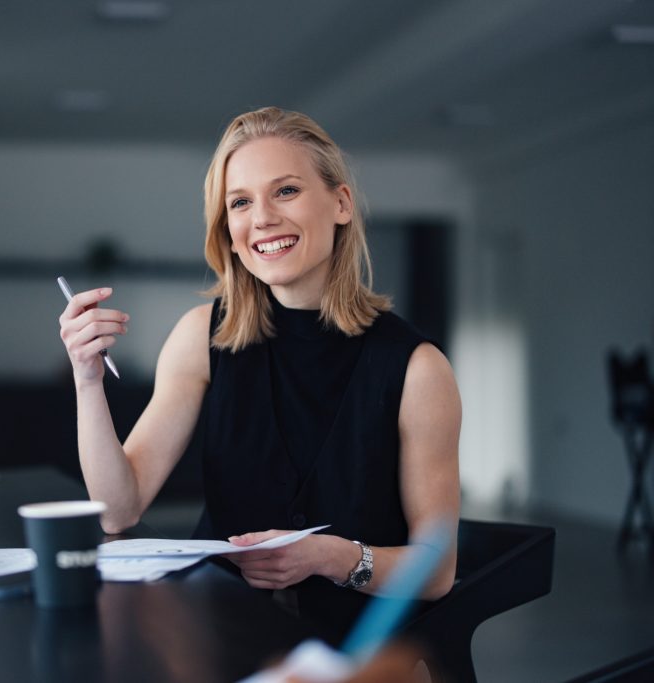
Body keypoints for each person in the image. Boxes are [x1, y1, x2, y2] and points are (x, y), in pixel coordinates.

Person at [58, 106, 461, 643]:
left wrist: (329, 557)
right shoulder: (200, 337)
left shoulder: (418, 368)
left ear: (341, 204)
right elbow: (118, 509)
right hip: (215, 629)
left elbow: (436, 572)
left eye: (286, 191)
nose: (262, 218)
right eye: (240, 202)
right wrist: (88, 381)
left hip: (354, 648)